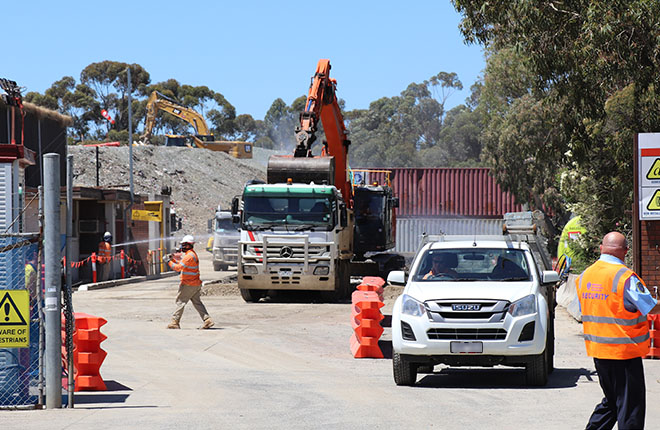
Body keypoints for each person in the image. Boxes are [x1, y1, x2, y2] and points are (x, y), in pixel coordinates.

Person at [577, 231, 660, 429]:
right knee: (631, 407)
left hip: (598, 351)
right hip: (623, 353)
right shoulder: (624, 277)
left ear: (601, 249)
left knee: (613, 402)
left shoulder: (585, 275)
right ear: (625, 251)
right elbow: (649, 307)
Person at [163, 235, 214, 330]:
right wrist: (173, 259)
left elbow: (178, 268)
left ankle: (175, 322)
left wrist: (168, 261)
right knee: (197, 303)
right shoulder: (191, 254)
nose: (182, 247)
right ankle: (207, 320)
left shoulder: (189, 256)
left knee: (180, 302)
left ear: (188, 245)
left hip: (188, 284)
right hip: (195, 283)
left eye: (183, 245)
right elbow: (180, 264)